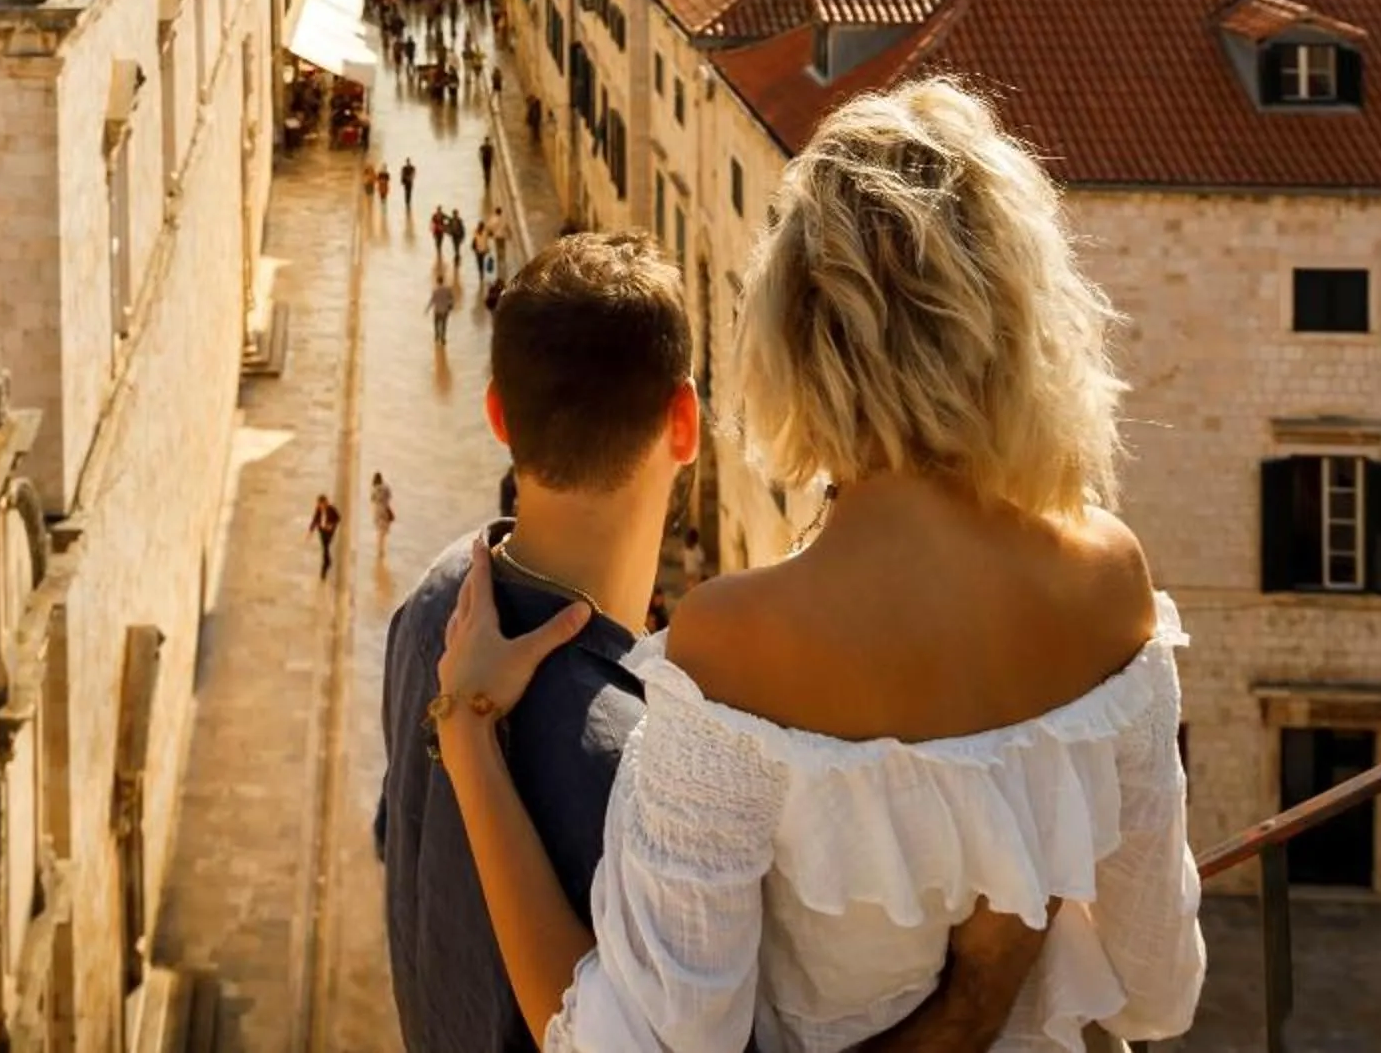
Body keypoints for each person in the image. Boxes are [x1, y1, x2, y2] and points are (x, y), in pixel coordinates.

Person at [434, 79, 1203, 1052]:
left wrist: (466, 733)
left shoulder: (733, 644)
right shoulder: (1111, 580)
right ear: (1023, 323)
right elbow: (1156, 990)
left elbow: (638, 1043)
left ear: (794, 340)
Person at [378, 232, 1045, 1053]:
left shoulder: (432, 609)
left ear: (496, 414)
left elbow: (401, 849)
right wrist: (974, 998)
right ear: (686, 423)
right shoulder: (652, 768)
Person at [310, 494, 341, 580]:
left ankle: (325, 566)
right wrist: (311, 530)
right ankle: (327, 563)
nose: (320, 506)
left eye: (321, 504)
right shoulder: (318, 510)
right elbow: (315, 519)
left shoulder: (331, 509)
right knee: (325, 548)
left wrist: (331, 525)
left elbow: (338, 518)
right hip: (322, 531)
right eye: (319, 504)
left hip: (329, 532)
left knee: (325, 547)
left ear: (325, 503)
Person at [428, 263, 459, 346]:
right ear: (442, 281)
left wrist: (427, 309)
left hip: (437, 310)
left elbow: (432, 300)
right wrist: (451, 305)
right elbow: (451, 298)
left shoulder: (435, 290)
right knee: (444, 324)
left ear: (437, 282)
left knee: (436, 323)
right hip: (445, 310)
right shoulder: (447, 289)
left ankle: (437, 336)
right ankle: (443, 338)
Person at [372, 472, 398, 555]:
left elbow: (372, 499)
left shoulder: (374, 489)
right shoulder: (386, 487)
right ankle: (382, 548)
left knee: (379, 531)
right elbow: (389, 496)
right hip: (385, 509)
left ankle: (379, 549)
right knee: (383, 531)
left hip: (377, 511)